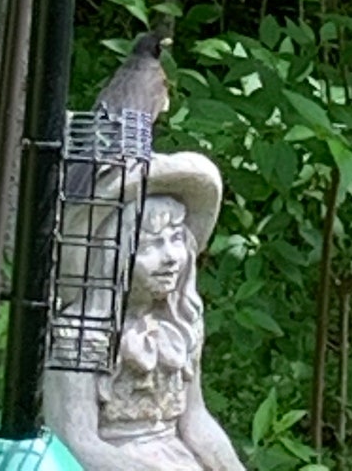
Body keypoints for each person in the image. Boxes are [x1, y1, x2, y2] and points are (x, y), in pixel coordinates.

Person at [44, 152, 246, 471]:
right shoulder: (78, 333)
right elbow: (74, 440)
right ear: (114, 255)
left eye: (176, 239)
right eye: (151, 245)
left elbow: (195, 421)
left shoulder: (180, 323)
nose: (170, 258)